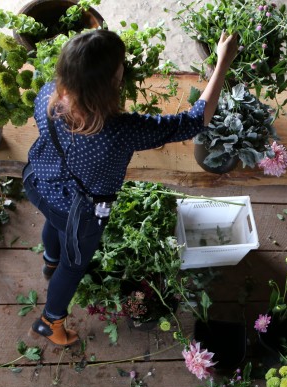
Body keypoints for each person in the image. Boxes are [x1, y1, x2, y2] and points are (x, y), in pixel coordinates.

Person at [23, 29, 238, 346]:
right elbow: (195, 119)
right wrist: (222, 61)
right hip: (79, 212)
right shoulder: (119, 131)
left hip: (39, 182)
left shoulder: (48, 94)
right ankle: (50, 321)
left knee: (53, 225)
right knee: (74, 265)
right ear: (110, 83)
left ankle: (49, 261)